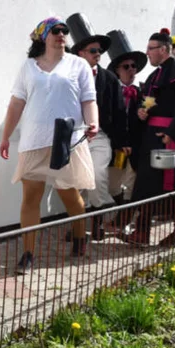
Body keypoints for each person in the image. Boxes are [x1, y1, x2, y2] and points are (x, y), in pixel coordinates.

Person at [0, 17, 98, 271]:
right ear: (43, 36)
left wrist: (93, 122)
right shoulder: (28, 67)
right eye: (56, 30)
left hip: (67, 140)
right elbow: (16, 103)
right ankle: (29, 253)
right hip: (34, 140)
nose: (62, 34)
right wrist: (5, 136)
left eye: (64, 31)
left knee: (69, 193)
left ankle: (79, 235)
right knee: (31, 197)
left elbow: (89, 100)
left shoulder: (79, 65)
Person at [121, 29, 175, 247]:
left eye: (151, 48)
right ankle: (142, 231)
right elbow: (150, 100)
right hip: (153, 137)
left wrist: (171, 133)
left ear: (164, 50)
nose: (147, 53)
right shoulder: (155, 75)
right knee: (146, 185)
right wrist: (143, 111)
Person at [70, 29, 125, 237]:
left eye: (99, 50)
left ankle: (101, 216)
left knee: (96, 174)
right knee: (77, 182)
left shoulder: (109, 79)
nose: (97, 54)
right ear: (80, 53)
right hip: (74, 136)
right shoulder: (67, 76)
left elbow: (119, 111)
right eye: (93, 50)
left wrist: (122, 140)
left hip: (100, 135)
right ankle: (80, 227)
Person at [106, 36, 147, 210]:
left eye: (133, 66)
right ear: (117, 70)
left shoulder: (142, 91)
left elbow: (149, 110)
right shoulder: (109, 92)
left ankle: (125, 218)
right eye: (126, 66)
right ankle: (118, 210)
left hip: (136, 147)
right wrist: (119, 143)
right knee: (113, 184)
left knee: (132, 182)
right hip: (117, 147)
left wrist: (146, 111)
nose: (131, 70)